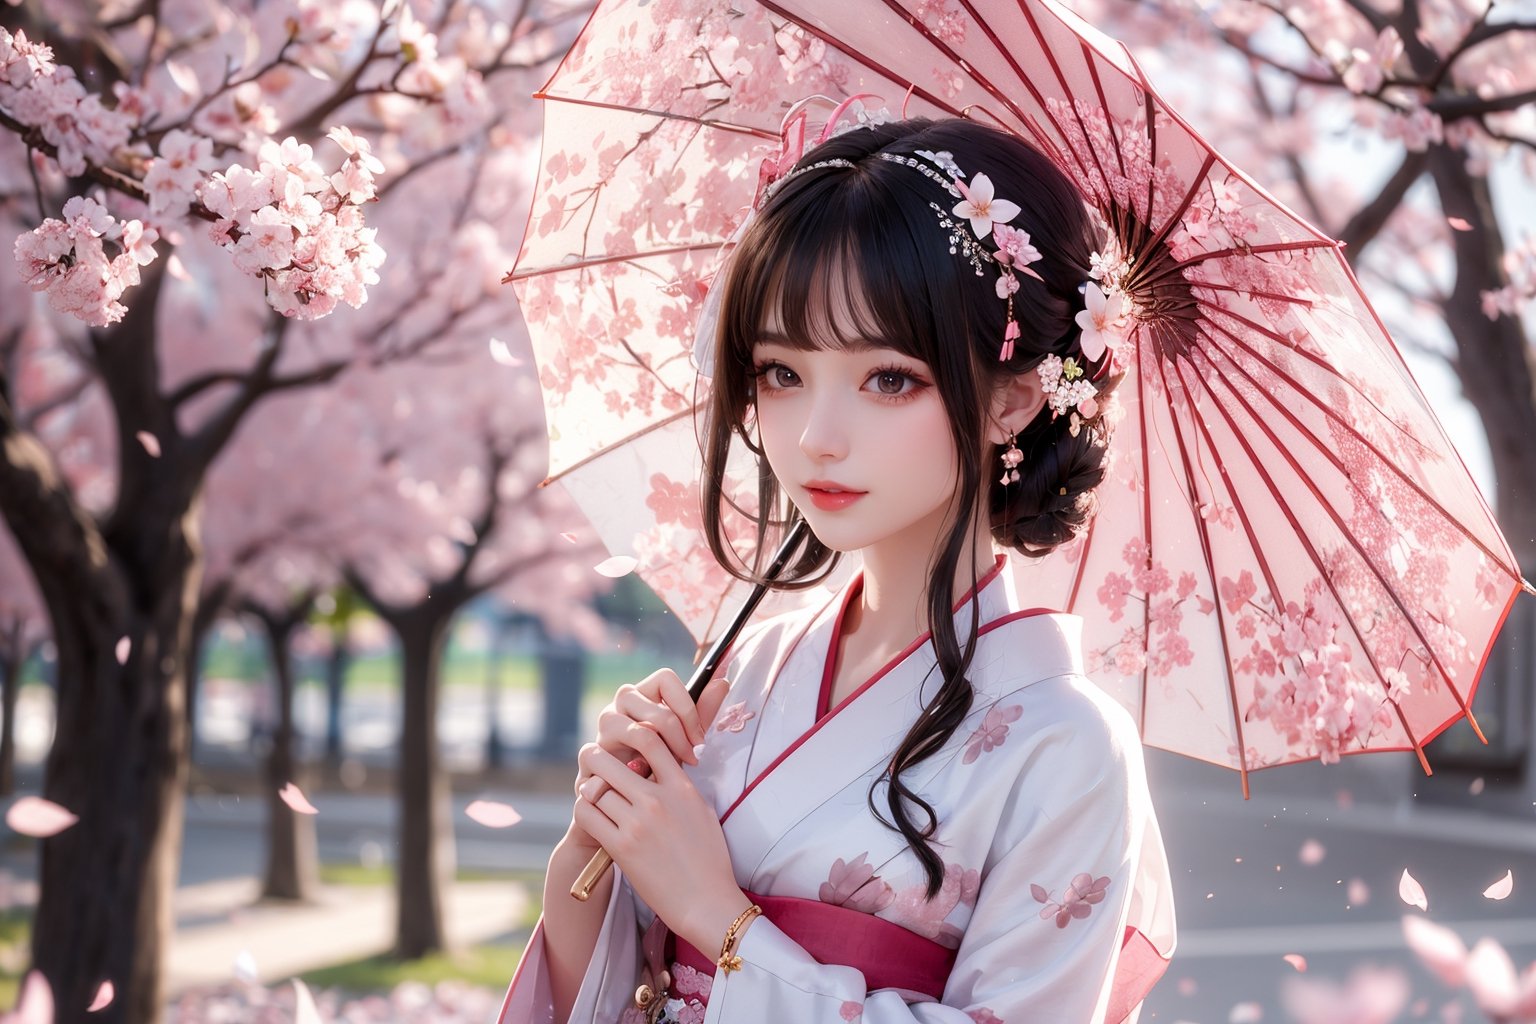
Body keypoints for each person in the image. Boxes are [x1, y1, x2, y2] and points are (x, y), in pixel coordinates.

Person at [496, 115, 1176, 1024]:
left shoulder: (1068, 746)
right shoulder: (746, 674)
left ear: (1013, 397)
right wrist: (602, 848)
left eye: (888, 378)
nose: (814, 437)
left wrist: (719, 918)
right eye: (780, 372)